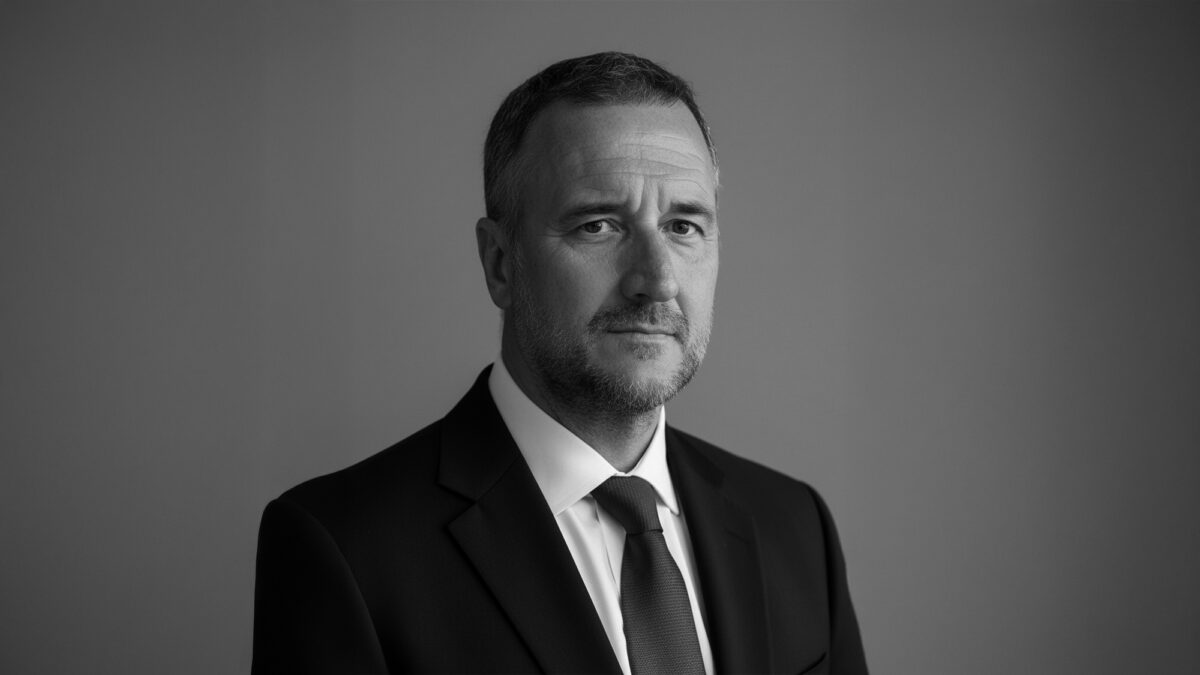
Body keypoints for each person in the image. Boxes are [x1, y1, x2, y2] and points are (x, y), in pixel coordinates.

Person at [252, 51, 868, 675]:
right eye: (598, 226)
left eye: (683, 226)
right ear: (500, 264)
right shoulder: (346, 547)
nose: (657, 281)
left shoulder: (795, 526)